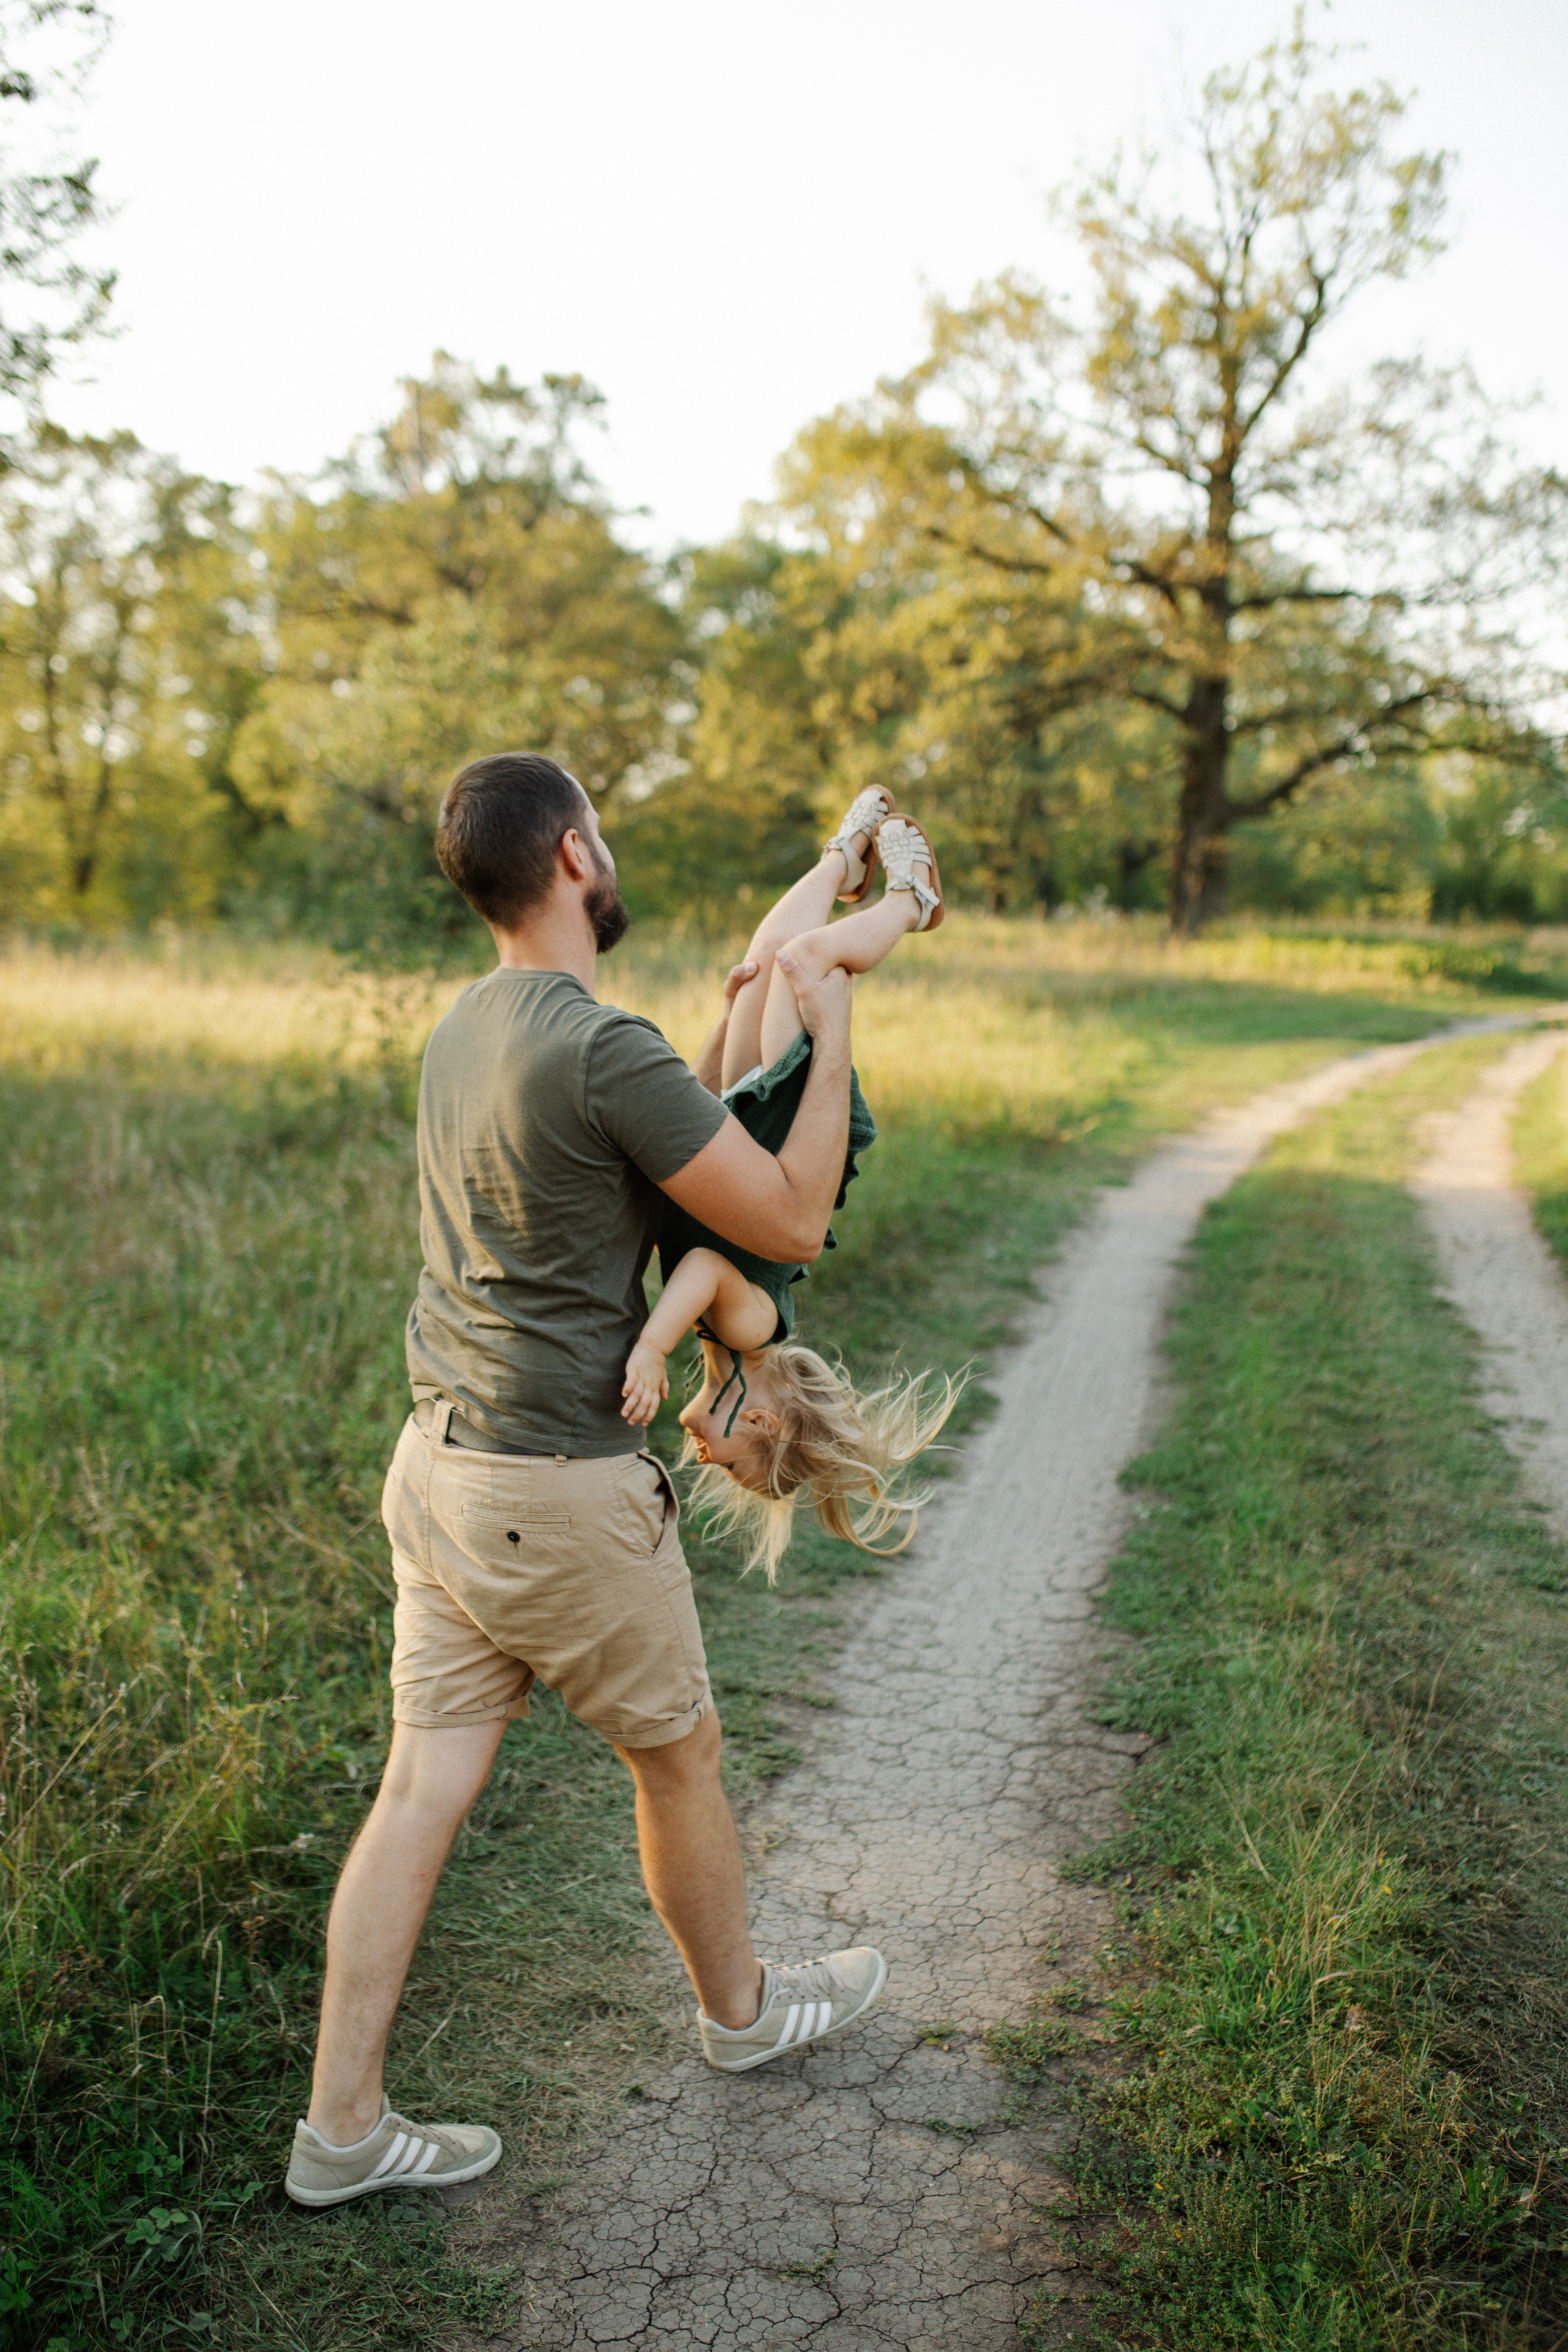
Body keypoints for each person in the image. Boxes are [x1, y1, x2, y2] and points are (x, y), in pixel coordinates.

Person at [285, 754, 891, 2210]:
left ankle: (341, 2128)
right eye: (602, 836)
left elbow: (689, 1098)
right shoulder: (595, 1041)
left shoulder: (466, 1030)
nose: (608, 858)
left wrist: (824, 884)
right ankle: (742, 2018)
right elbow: (792, 1218)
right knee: (676, 1754)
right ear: (572, 853)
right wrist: (840, 1012)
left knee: (422, 1781)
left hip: (435, 1469)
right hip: (556, 1489)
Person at [621, 790, 962, 1580]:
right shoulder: (750, 1332)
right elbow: (704, 1266)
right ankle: (913, 901)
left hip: (735, 1131)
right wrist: (648, 1344)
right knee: (807, 962)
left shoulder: (718, 1343)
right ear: (766, 1423)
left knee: (767, 954)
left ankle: (842, 861)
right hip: (783, 1135)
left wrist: (720, 1023)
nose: (708, 1462)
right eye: (737, 1466)